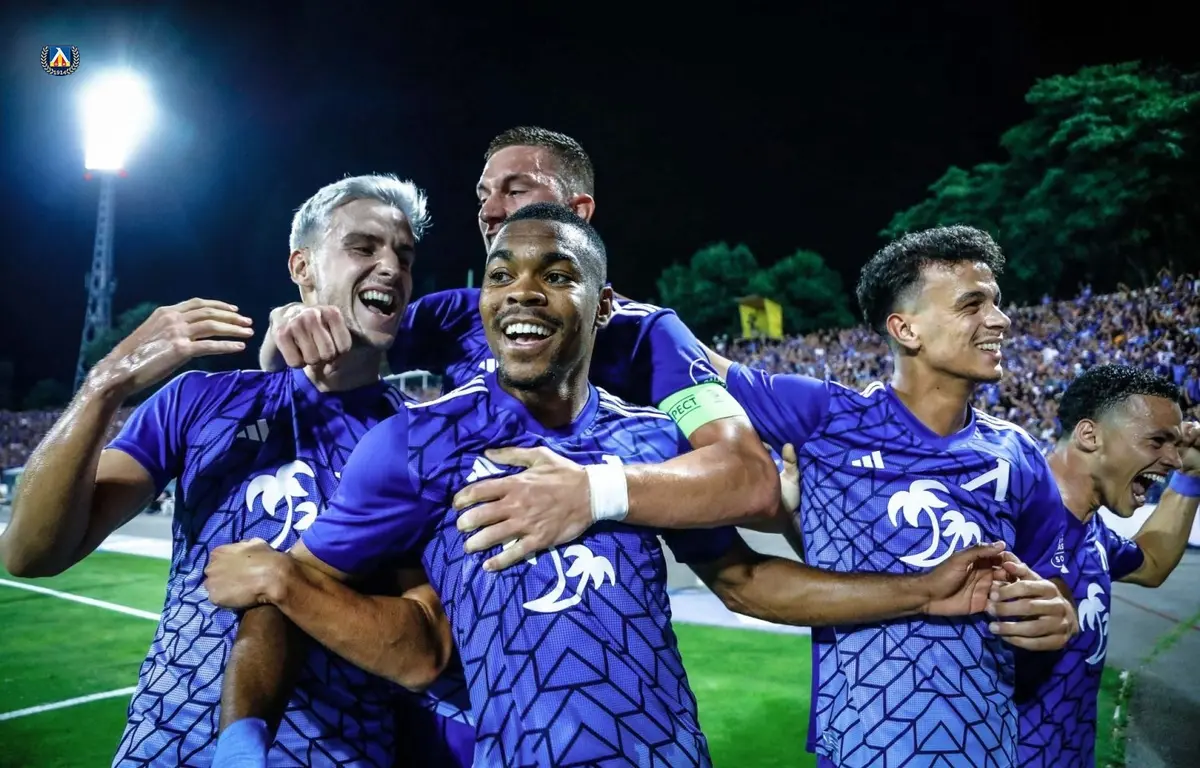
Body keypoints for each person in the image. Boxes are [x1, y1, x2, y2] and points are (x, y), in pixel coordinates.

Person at [210, 204, 1021, 768]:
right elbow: (287, 587)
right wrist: (242, 743)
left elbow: (745, 580)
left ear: (603, 309)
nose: (522, 290)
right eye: (500, 275)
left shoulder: (652, 438)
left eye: (556, 273)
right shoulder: (417, 443)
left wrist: (921, 592)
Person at [0, 174, 471, 767]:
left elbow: (422, 650)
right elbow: (31, 553)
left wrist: (284, 582)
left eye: (404, 256)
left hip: (337, 754)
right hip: (163, 748)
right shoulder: (199, 400)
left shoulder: (424, 442)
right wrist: (106, 381)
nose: (391, 268)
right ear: (302, 267)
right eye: (363, 247)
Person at [258, 126, 783, 572]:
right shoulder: (453, 314)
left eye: (514, 190)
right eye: (483, 195)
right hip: (461, 591)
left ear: (577, 210)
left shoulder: (647, 334)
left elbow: (745, 475)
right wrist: (290, 325)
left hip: (591, 591)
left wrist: (591, 491)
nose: (490, 211)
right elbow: (343, 349)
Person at [709, 225, 1077, 767]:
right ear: (906, 329)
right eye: (972, 304)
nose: (1000, 320)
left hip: (988, 746)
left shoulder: (1018, 453)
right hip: (862, 743)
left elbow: (1055, 580)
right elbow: (684, 359)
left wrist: (1055, 611)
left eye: (996, 302)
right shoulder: (826, 417)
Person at [1017, 364, 1200, 767]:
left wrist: (1190, 477)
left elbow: (1151, 563)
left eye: (1175, 444)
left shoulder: (1090, 528)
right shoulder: (1013, 520)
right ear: (1089, 435)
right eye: (1157, 441)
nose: (1172, 459)